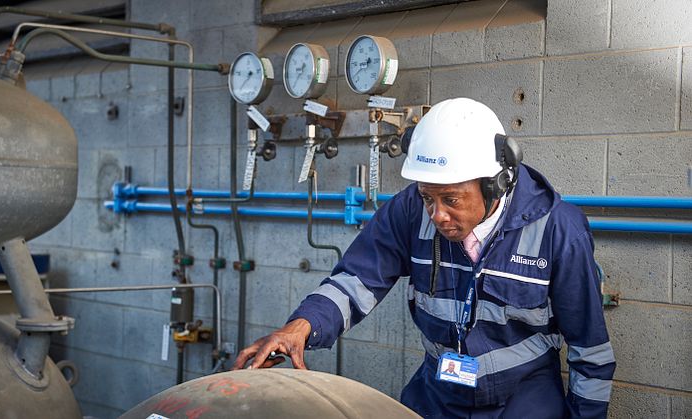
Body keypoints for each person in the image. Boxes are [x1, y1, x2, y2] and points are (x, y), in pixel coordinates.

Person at [233, 98, 616, 418]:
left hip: (524, 397)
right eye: (427, 197)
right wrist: (298, 328)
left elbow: (590, 351)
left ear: (495, 184)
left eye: (450, 199)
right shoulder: (408, 210)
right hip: (439, 393)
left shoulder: (557, 229)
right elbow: (356, 280)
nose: (437, 215)